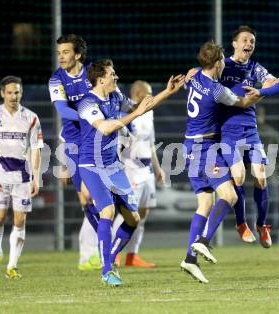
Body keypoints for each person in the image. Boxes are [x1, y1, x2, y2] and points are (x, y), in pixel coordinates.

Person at [77, 59, 184, 286]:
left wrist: (167, 92)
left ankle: (111, 256)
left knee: (133, 219)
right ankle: (107, 269)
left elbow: (140, 107)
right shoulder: (87, 103)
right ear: (100, 78)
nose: (116, 77)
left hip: (114, 166)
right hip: (91, 166)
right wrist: (135, 115)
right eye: (112, 74)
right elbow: (105, 127)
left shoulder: (115, 97)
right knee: (107, 211)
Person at [180, 41, 262, 284]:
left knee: (205, 203)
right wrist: (262, 92)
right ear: (217, 64)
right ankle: (203, 241)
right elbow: (243, 102)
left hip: (188, 146)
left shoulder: (193, 79)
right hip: (203, 148)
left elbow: (188, 78)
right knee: (230, 195)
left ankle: (190, 260)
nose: (225, 63)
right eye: (223, 60)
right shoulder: (215, 89)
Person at [219, 25, 279, 248]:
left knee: (260, 176)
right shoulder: (223, 66)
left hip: (250, 131)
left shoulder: (255, 68)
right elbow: (204, 79)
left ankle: (262, 224)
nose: (249, 44)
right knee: (238, 176)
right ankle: (241, 223)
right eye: (245, 40)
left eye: (252, 41)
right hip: (228, 131)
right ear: (235, 43)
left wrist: (261, 91)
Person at [0, 76, 43, 278]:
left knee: (20, 220)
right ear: (2, 93)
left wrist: (35, 177)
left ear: (21, 93)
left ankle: (12, 265)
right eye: (10, 92)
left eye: (17, 92)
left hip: (22, 177)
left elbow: (36, 149)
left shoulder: (31, 118)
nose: (14, 96)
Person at [48, 34, 101, 271]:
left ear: (77, 55)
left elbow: (108, 98)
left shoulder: (93, 73)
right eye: (59, 52)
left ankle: (101, 246)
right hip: (73, 143)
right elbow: (62, 110)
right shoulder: (56, 80)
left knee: (98, 197)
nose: (61, 56)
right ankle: (96, 248)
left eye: (66, 52)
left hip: (96, 139)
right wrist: (88, 115)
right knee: (85, 199)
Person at [112, 80, 164, 268]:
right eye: (148, 93)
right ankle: (114, 253)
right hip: (131, 170)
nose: (151, 97)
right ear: (138, 93)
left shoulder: (148, 115)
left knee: (143, 213)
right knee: (127, 213)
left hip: (147, 170)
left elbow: (150, 144)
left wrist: (158, 170)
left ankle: (132, 256)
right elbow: (118, 144)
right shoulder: (127, 114)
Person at [256, 106, 279, 241]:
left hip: (252, 176)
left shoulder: (247, 132)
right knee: (273, 207)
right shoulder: (270, 132)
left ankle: (255, 237)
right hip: (270, 175)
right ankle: (274, 236)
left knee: (253, 207)